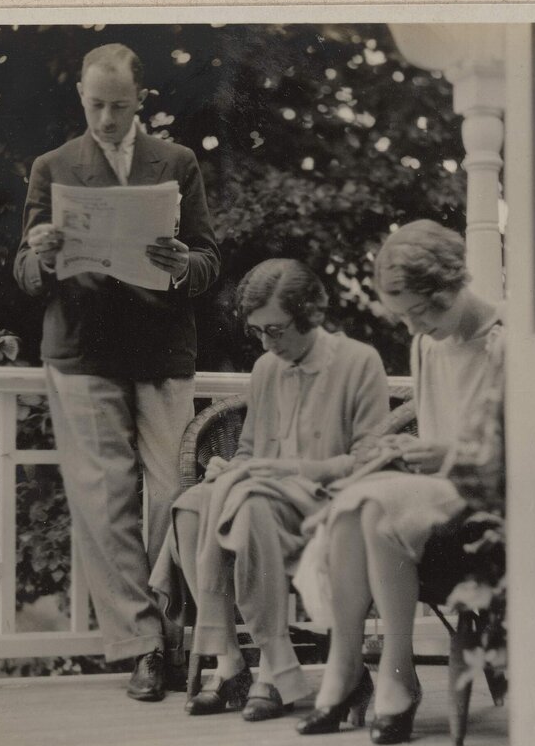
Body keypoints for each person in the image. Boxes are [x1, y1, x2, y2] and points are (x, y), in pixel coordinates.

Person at [14, 43, 220, 702]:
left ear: (141, 101)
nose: (106, 118)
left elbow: (210, 261)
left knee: (174, 496)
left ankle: (171, 625)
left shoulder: (177, 164)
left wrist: (185, 262)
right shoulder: (53, 167)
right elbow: (23, 273)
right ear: (80, 94)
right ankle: (142, 647)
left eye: (119, 106)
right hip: (82, 352)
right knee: (104, 506)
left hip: (161, 353)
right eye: (96, 104)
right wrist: (42, 253)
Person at [294, 219, 504, 744]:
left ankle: (394, 675)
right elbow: (435, 438)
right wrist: (415, 452)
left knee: (372, 505)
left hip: (492, 502)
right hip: (439, 494)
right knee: (355, 507)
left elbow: (523, 455)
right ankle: (350, 673)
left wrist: (448, 454)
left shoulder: (504, 344)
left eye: (422, 312)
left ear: (454, 285)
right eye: (404, 316)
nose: (414, 328)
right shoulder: (428, 345)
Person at [151, 259, 389, 721]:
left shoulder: (360, 362)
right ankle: (232, 664)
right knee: (192, 506)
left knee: (251, 502)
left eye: (275, 330)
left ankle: (274, 671)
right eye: (258, 332)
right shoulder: (266, 369)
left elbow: (369, 460)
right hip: (263, 498)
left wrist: (284, 469)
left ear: (312, 315)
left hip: (329, 501)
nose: (266, 343)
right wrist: (228, 467)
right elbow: (250, 450)